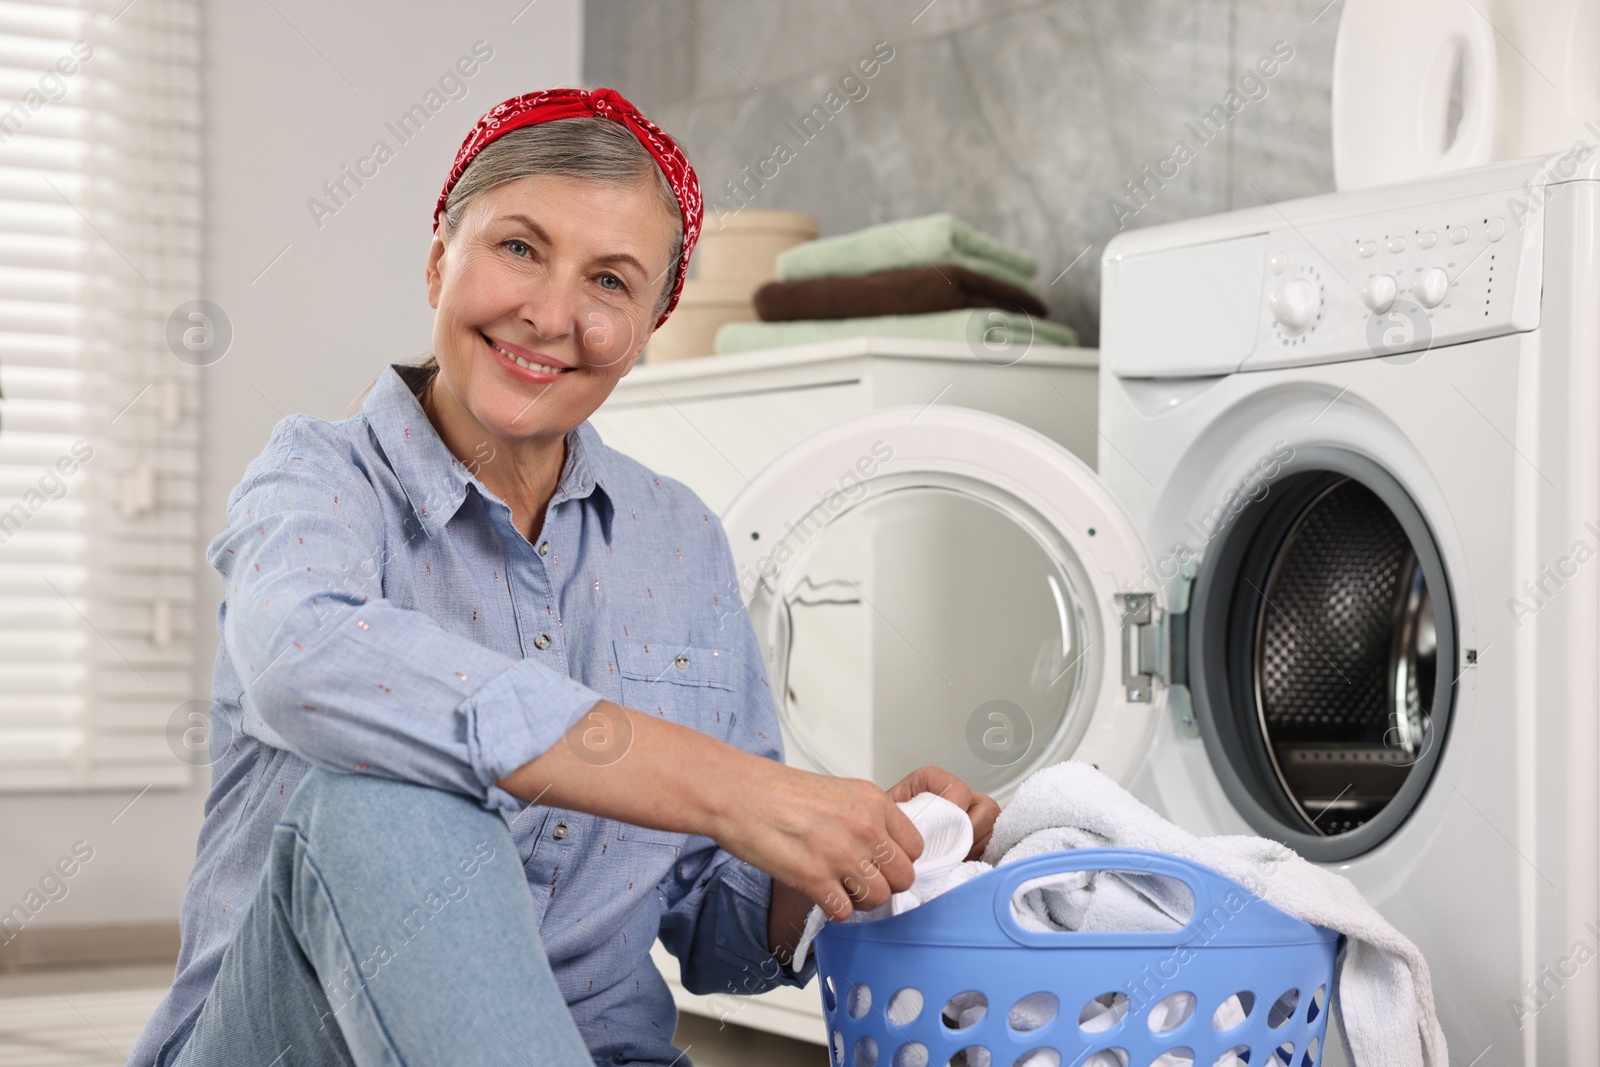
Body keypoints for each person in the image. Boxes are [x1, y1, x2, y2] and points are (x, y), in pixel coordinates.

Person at [129, 86, 999, 1067]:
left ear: (646, 328)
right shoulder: (318, 479)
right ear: (436, 260)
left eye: (611, 283)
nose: (551, 315)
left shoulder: (677, 538)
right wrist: (729, 785)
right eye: (518, 248)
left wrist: (850, 847)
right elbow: (300, 660)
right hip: (295, 1042)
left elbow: (719, 929)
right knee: (386, 800)